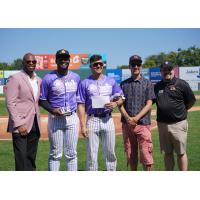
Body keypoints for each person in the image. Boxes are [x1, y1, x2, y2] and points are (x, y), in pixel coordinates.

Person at [77, 54, 124, 171]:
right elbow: (81, 105)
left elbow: (121, 97)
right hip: (92, 120)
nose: (98, 66)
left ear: (103, 65)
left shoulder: (111, 81)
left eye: (100, 64)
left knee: (110, 153)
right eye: (95, 64)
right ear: (91, 66)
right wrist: (83, 126)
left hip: (108, 119)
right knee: (91, 155)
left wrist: (115, 103)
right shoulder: (84, 83)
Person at [39, 49, 80, 171]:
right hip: (55, 118)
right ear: (56, 60)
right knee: (55, 154)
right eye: (61, 58)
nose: (63, 60)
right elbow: (42, 100)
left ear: (69, 60)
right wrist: (52, 110)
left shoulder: (76, 77)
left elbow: (79, 98)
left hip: (72, 118)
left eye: (66, 58)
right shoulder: (48, 78)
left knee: (72, 154)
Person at [154, 61, 196, 171]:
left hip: (178, 124)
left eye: (169, 69)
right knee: (167, 153)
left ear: (173, 70)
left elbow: (191, 101)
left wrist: (181, 111)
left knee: (181, 153)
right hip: (162, 125)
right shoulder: (157, 86)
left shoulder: (181, 84)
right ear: (161, 71)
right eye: (164, 69)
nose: (167, 71)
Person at [119, 55, 155, 171]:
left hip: (143, 124)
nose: (135, 66)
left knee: (146, 155)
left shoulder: (148, 83)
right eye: (133, 64)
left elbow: (149, 104)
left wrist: (136, 118)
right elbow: (120, 104)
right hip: (127, 124)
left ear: (141, 66)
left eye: (138, 64)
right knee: (130, 154)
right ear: (129, 66)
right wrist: (128, 118)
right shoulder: (123, 84)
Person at [6, 53, 41, 171]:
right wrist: (19, 124)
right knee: (21, 159)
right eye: (28, 61)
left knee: (31, 158)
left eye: (33, 62)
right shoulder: (15, 78)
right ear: (23, 63)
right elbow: (10, 102)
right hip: (21, 125)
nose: (31, 64)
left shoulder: (38, 80)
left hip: (35, 124)